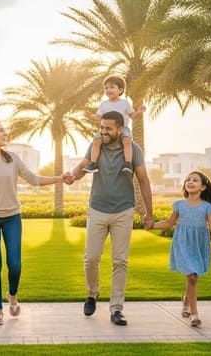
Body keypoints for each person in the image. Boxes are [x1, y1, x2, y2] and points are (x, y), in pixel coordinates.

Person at [0, 119, 69, 326]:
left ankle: (12, 295)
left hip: (12, 217)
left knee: (15, 264)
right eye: (1, 130)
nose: (5, 133)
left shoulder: (12, 159)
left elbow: (34, 179)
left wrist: (60, 178)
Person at [66, 110, 154, 326]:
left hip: (123, 211)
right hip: (97, 209)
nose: (103, 132)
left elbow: (143, 180)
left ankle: (116, 309)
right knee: (91, 258)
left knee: (120, 261)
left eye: (108, 128)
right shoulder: (96, 145)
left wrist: (149, 213)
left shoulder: (133, 150)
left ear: (120, 129)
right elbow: (83, 166)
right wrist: (72, 175)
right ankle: (92, 294)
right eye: (101, 127)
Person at [151, 170, 211, 327]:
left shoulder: (207, 207)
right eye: (188, 180)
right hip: (183, 243)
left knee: (193, 277)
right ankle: (194, 314)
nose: (190, 182)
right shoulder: (180, 205)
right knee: (191, 277)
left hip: (199, 245)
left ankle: (186, 300)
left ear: (203, 187)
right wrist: (153, 225)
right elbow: (169, 223)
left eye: (195, 180)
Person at [82, 75, 146, 175]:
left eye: (112, 87)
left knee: (127, 141)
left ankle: (128, 163)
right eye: (106, 88)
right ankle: (93, 163)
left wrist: (139, 112)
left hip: (122, 128)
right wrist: (91, 116)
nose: (108, 90)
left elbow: (132, 115)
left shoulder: (124, 103)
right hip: (106, 130)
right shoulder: (104, 104)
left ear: (120, 90)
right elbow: (99, 117)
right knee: (96, 141)